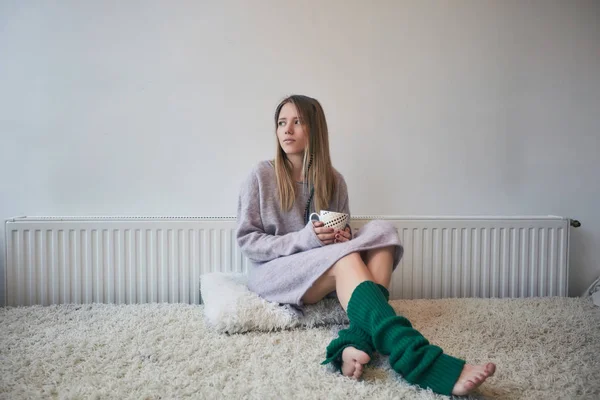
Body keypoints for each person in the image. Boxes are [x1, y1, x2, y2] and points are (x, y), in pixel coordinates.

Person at [235, 95, 495, 396]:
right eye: (281, 123)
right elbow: (247, 241)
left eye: (297, 122)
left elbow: (336, 235)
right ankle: (418, 357)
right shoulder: (260, 175)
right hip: (272, 272)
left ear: (315, 129)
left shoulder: (334, 180)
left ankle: (355, 341)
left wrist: (343, 237)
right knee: (347, 261)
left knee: (383, 231)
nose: (287, 130)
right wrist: (305, 239)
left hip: (318, 267)